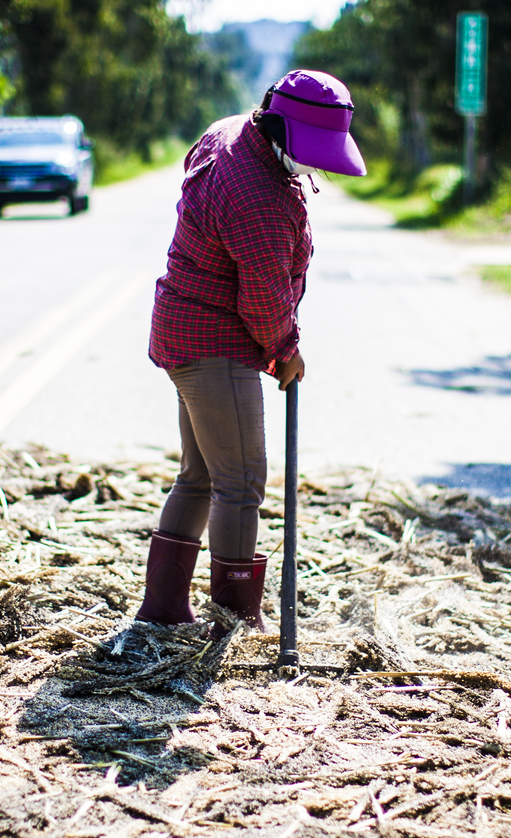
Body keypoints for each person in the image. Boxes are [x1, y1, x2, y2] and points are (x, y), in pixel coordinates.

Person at [138, 69, 367, 638]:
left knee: (199, 475)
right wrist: (286, 350)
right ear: (280, 129)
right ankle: (235, 619)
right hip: (213, 342)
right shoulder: (257, 197)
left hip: (182, 328)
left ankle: (164, 609)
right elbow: (263, 300)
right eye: (310, 153)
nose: (313, 167)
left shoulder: (230, 132)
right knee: (239, 482)